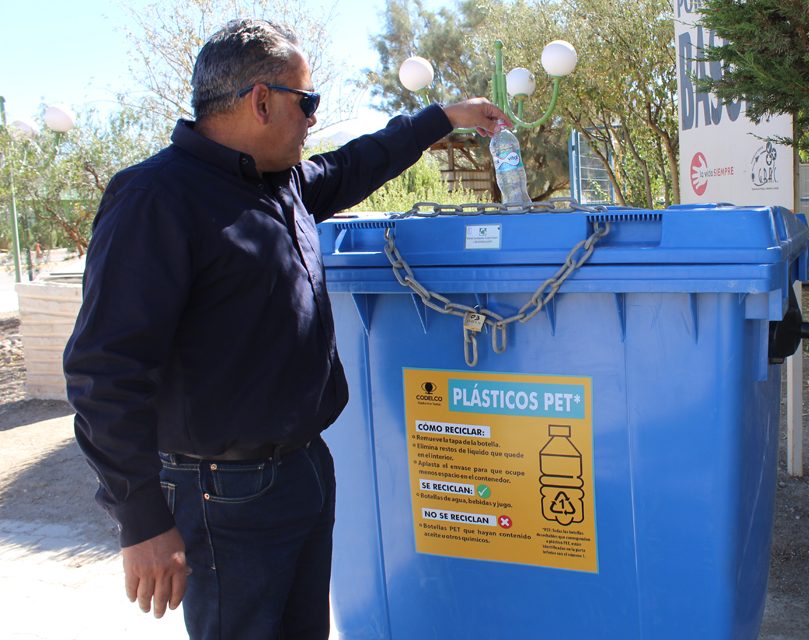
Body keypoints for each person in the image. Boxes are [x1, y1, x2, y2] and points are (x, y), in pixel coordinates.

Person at [63, 18, 509, 639]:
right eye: (309, 102)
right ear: (262, 100)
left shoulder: (283, 185)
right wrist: (140, 518)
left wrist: (443, 117)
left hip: (302, 469)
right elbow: (104, 371)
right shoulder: (156, 199)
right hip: (223, 496)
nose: (313, 119)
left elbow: (359, 163)